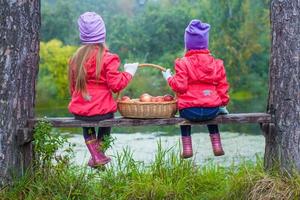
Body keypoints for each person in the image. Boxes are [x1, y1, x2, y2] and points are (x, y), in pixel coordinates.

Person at [68, 12, 138, 167]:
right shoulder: (108, 58)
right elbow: (116, 86)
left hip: (80, 110)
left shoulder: (76, 58)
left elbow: (73, 88)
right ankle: (98, 154)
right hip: (103, 110)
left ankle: (96, 155)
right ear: (102, 35)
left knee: (86, 122)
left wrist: (81, 102)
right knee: (108, 119)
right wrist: (129, 73)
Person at [162, 19, 230, 158]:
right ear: (205, 43)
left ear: (188, 44)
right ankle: (217, 145)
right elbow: (222, 86)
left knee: (181, 110)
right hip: (211, 110)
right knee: (214, 109)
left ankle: (187, 148)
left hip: (189, 111)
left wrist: (169, 77)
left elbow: (180, 87)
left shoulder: (183, 63)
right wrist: (222, 103)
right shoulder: (216, 63)